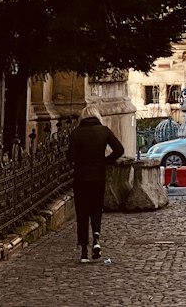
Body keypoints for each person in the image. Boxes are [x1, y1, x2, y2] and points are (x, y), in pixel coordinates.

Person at [67, 104, 124, 263]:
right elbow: (119, 149)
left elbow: (70, 156)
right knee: (96, 209)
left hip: (81, 178)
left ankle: (84, 250)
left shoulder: (76, 133)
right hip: (98, 176)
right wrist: (105, 161)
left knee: (82, 212)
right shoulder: (104, 131)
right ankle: (96, 239)